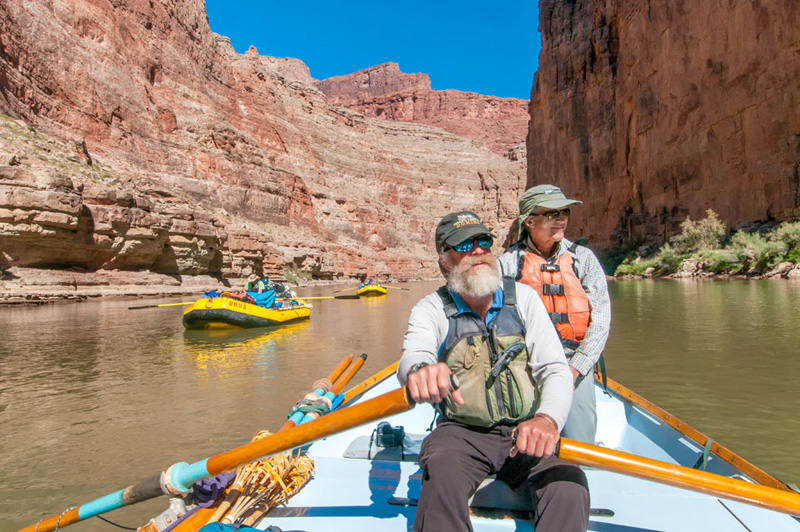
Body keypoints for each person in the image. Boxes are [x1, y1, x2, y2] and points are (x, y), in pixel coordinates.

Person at [398, 211, 590, 532]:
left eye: (483, 241)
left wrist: (547, 419)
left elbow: (555, 370)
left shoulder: (525, 299)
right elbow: (414, 354)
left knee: (569, 486)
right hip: (462, 434)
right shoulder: (431, 309)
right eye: (463, 244)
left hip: (526, 432)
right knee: (439, 470)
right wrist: (420, 371)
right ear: (445, 260)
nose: (477, 250)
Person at [499, 184, 611, 444]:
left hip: (573, 362)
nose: (561, 218)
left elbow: (601, 323)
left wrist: (574, 370)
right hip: (524, 364)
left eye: (564, 212)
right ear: (529, 221)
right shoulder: (506, 264)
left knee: (579, 443)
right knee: (521, 443)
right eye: (552, 213)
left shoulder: (584, 259)